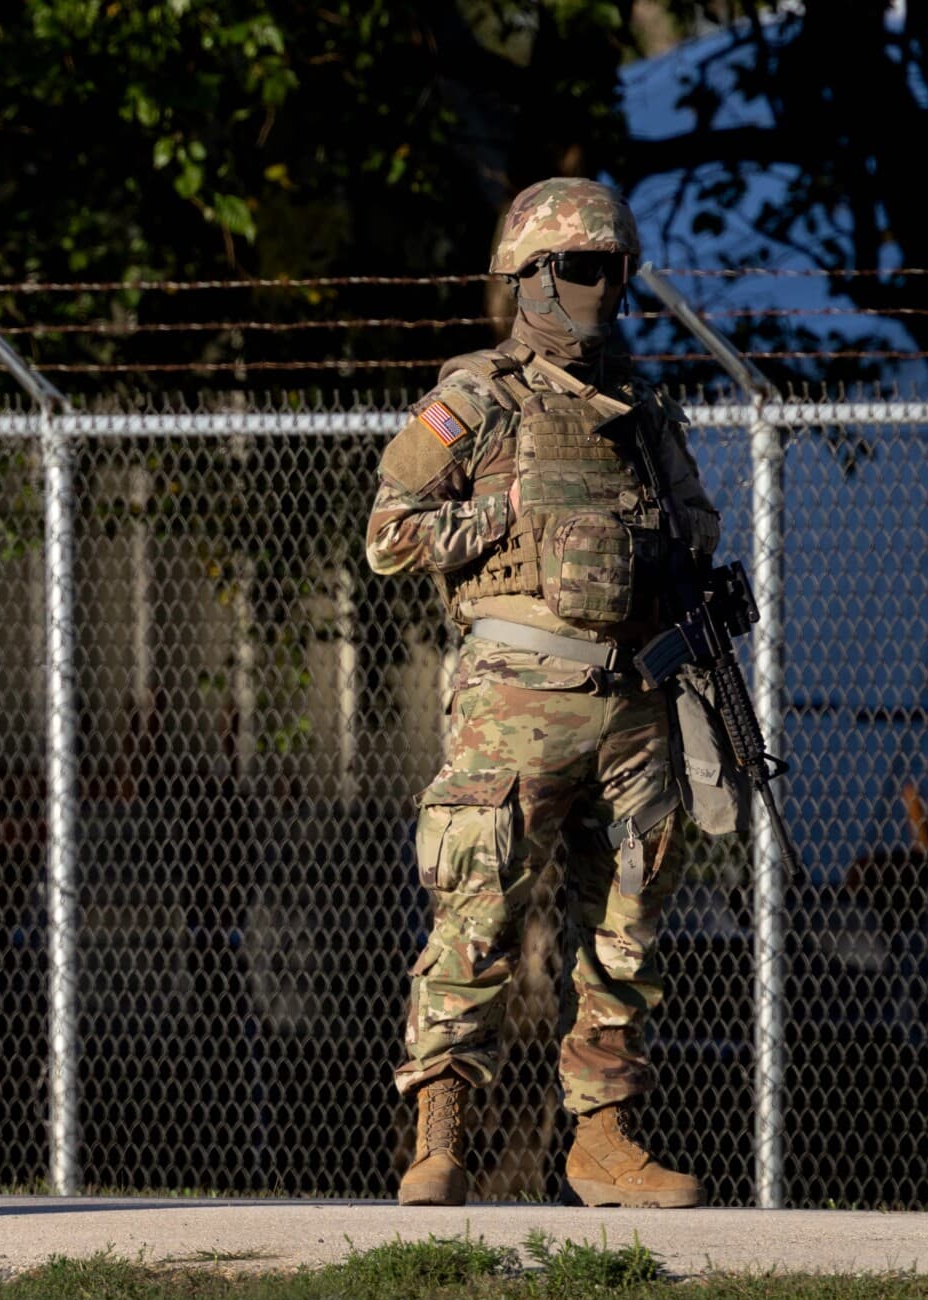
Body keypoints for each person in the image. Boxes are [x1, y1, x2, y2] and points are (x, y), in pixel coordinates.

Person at [365, 178, 721, 1208]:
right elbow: (388, 534)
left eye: (610, 267)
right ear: (525, 276)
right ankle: (438, 1137)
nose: (597, 286)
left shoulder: (638, 406)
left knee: (625, 931)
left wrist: (668, 566)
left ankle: (602, 1143)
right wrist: (496, 516)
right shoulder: (474, 396)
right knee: (473, 914)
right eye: (575, 267)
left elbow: (693, 524)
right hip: (513, 699)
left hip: (630, 702)